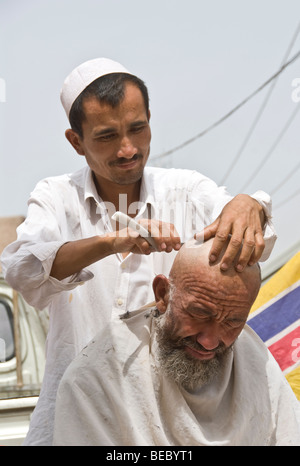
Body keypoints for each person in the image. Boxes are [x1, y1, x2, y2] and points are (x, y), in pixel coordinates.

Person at [1, 58, 276, 446]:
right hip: (73, 419)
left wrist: (252, 205)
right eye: (107, 136)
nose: (127, 149)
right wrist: (112, 242)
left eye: (137, 129)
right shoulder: (57, 198)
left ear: (150, 120)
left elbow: (254, 235)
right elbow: (22, 267)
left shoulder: (184, 191)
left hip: (164, 427)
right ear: (76, 141)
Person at [53, 238, 300, 446]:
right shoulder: (99, 376)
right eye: (200, 315)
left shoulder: (254, 359)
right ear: (163, 294)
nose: (210, 342)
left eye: (232, 323)